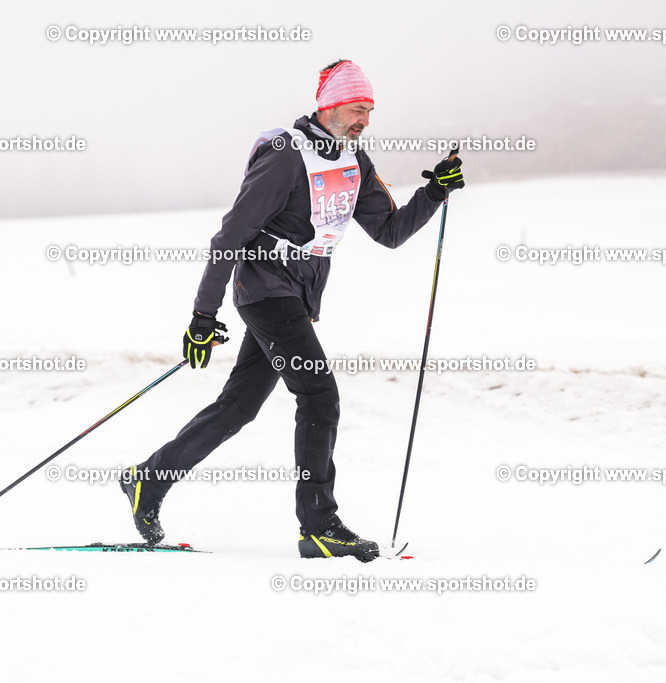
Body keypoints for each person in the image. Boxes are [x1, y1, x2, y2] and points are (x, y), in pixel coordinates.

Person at [120, 59, 464, 562]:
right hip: (264, 287)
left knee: (238, 407)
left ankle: (147, 480)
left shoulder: (355, 162)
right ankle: (320, 526)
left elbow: (389, 232)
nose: (362, 120)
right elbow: (230, 236)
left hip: (297, 295)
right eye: (354, 109)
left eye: (369, 111)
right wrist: (202, 316)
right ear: (327, 106)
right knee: (320, 396)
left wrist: (434, 192)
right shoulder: (285, 156)